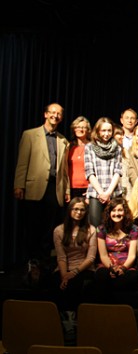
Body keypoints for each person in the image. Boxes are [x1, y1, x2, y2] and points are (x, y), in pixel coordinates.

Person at [14, 103, 69, 264]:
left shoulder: (63, 140)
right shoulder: (30, 135)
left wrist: (66, 191)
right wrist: (19, 185)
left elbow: (64, 170)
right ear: (45, 114)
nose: (55, 115)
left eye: (59, 113)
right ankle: (32, 263)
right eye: (52, 112)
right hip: (34, 188)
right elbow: (22, 162)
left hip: (54, 189)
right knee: (32, 227)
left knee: (49, 229)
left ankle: (44, 263)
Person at [52, 197, 97, 311]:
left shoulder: (91, 230)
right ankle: (63, 320)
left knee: (75, 286)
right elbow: (61, 257)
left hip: (84, 268)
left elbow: (91, 258)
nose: (78, 212)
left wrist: (74, 272)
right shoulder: (59, 230)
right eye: (75, 209)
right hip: (64, 268)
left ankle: (75, 320)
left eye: (82, 210)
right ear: (69, 210)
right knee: (56, 285)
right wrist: (64, 275)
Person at [95, 197, 138, 303]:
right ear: (109, 213)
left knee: (131, 278)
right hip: (107, 265)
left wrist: (123, 269)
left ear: (125, 212)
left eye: (120, 210)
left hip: (127, 266)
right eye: (114, 210)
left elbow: (132, 255)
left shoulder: (134, 229)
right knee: (101, 276)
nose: (117, 213)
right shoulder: (101, 229)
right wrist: (112, 268)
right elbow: (103, 255)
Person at [84, 117, 123, 227]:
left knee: (113, 226)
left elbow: (118, 171)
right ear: (98, 131)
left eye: (109, 131)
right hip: (96, 193)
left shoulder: (117, 148)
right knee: (96, 227)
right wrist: (101, 193)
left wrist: (108, 192)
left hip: (113, 192)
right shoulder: (89, 147)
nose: (106, 133)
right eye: (103, 130)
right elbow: (89, 172)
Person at [67, 116, 91, 199]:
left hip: (87, 188)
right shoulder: (68, 146)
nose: (80, 129)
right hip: (70, 189)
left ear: (88, 130)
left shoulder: (92, 147)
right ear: (74, 129)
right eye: (78, 127)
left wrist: (91, 189)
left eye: (84, 127)